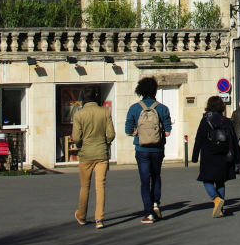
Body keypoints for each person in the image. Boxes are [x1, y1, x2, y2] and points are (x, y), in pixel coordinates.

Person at [125, 76, 172, 224]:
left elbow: (128, 130)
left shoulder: (134, 108)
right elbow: (167, 132)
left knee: (144, 179)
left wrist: (138, 132)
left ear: (140, 90)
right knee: (156, 175)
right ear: (155, 90)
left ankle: (148, 213)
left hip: (141, 148)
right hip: (157, 148)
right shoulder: (163, 108)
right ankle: (155, 203)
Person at [72, 85, 115, 229]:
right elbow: (111, 134)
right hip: (101, 152)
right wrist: (105, 142)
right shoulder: (105, 112)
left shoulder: (79, 114)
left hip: (86, 153)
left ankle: (82, 216)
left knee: (85, 187)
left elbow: (77, 137)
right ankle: (99, 218)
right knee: (100, 186)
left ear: (83, 98)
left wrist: (81, 144)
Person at [191, 96, 240, 218]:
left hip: (209, 154)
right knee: (220, 181)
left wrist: (194, 156)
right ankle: (220, 209)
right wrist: (237, 159)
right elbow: (234, 140)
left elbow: (199, 138)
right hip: (224, 155)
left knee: (207, 180)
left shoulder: (206, 120)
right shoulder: (226, 120)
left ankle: (216, 199)